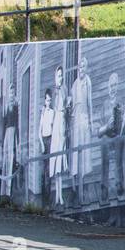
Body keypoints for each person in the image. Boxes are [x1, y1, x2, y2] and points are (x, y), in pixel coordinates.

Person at [97, 72, 125, 203]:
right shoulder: (104, 105)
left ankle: (120, 187)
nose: (113, 87)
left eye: (115, 85)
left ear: (117, 86)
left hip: (117, 135)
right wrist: (106, 127)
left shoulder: (121, 103)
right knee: (103, 144)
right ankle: (104, 189)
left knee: (120, 143)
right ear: (108, 86)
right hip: (107, 136)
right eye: (111, 85)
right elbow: (99, 130)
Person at [70, 55, 94, 204]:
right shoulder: (74, 84)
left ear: (86, 68)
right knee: (75, 153)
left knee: (84, 152)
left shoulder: (87, 82)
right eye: (80, 66)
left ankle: (83, 186)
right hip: (76, 120)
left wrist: (90, 122)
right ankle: (74, 188)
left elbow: (89, 102)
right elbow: (72, 104)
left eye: (84, 66)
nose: (81, 69)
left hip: (84, 119)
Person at [49, 66, 68, 207]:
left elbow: (66, 108)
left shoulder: (64, 89)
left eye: (61, 75)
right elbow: (51, 111)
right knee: (55, 159)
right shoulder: (54, 91)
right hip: (55, 124)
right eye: (58, 75)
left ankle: (61, 196)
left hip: (62, 123)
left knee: (61, 160)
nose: (60, 78)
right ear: (55, 77)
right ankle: (56, 195)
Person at [0, 82, 20, 201]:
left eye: (13, 92)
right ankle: (3, 190)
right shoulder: (6, 107)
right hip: (7, 134)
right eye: (10, 92)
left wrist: (17, 138)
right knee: (6, 160)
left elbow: (16, 124)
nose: (11, 94)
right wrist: (2, 140)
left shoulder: (16, 106)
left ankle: (9, 190)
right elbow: (3, 124)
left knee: (12, 158)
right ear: (8, 93)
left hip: (13, 133)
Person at [39, 89, 55, 206]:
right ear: (45, 100)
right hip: (44, 140)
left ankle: (48, 197)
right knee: (44, 170)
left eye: (50, 100)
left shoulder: (52, 112)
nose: (48, 102)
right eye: (47, 100)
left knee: (49, 169)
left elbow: (53, 128)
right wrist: (41, 144)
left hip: (50, 140)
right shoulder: (43, 113)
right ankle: (44, 196)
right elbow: (39, 131)